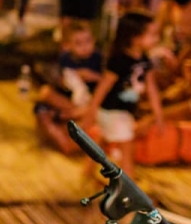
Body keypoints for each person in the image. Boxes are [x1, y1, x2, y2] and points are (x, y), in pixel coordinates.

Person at [69, 11, 164, 177]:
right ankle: (130, 183)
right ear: (135, 37)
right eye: (152, 34)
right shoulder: (119, 61)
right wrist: (91, 114)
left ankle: (87, 172)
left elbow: (151, 88)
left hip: (123, 112)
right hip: (111, 110)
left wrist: (158, 113)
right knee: (127, 147)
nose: (156, 39)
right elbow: (102, 88)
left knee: (104, 140)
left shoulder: (144, 60)